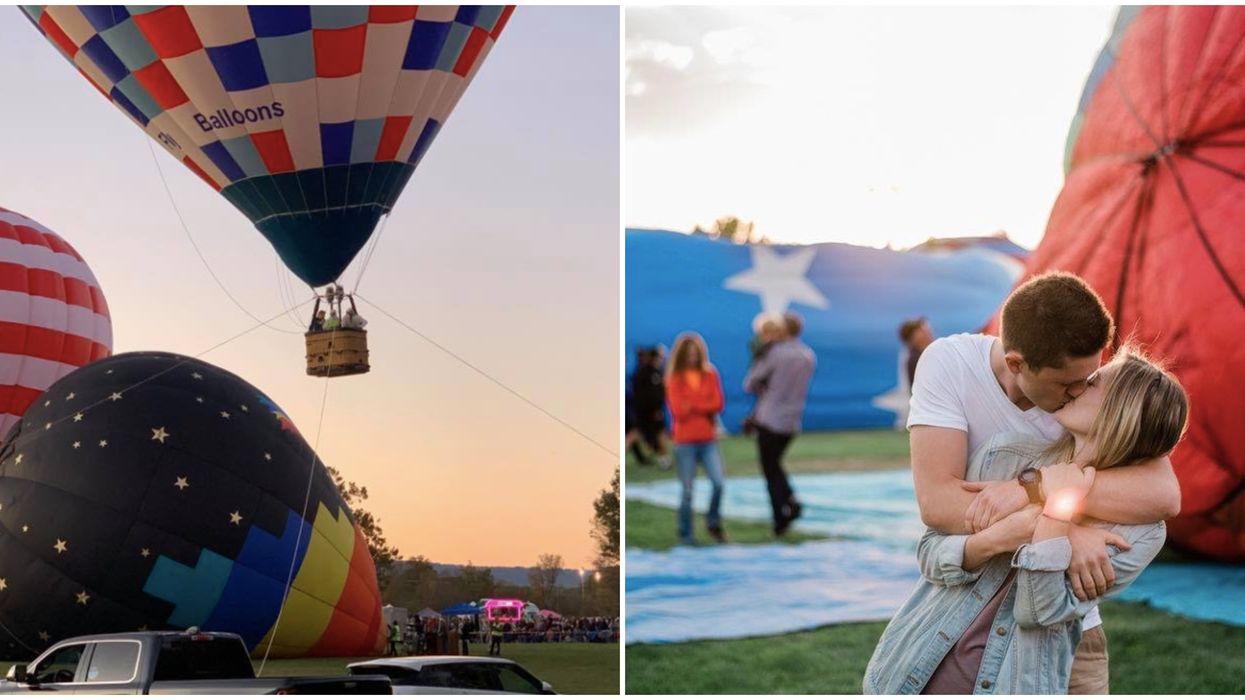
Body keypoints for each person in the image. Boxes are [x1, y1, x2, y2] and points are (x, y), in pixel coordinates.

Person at [905, 271, 1181, 694]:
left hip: (1066, 635)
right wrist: (1062, 529)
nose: (1078, 390)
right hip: (964, 612)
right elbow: (939, 507)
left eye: (1090, 380)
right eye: (1069, 385)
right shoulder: (951, 365)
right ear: (1017, 365)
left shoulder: (1085, 390)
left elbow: (1165, 495)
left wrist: (1030, 489)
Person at [743, 312, 816, 536]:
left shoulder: (775, 353)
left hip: (770, 417)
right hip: (792, 420)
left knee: (769, 469)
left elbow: (750, 383)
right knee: (775, 464)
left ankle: (780, 517)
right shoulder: (807, 355)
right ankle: (790, 500)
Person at [665, 332, 727, 545]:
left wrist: (692, 405)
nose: (692, 357)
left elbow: (718, 404)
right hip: (685, 441)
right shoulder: (675, 378)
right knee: (688, 490)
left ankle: (713, 521)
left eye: (695, 353)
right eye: (688, 354)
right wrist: (703, 405)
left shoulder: (710, 374)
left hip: (707, 439)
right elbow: (678, 411)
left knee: (719, 483)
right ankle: (686, 533)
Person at [741, 312, 784, 436]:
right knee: (764, 402)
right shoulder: (759, 344)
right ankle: (757, 423)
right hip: (763, 378)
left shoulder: (779, 347)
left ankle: (758, 423)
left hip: (773, 379)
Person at [633, 346, 672, 468]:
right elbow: (651, 394)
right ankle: (664, 459)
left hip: (646, 410)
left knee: (651, 435)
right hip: (649, 411)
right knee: (654, 434)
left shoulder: (649, 372)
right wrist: (656, 409)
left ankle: (663, 457)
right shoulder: (649, 373)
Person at [898, 316, 934, 388]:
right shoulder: (915, 358)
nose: (928, 331)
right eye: (922, 330)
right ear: (913, 337)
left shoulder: (911, 355)